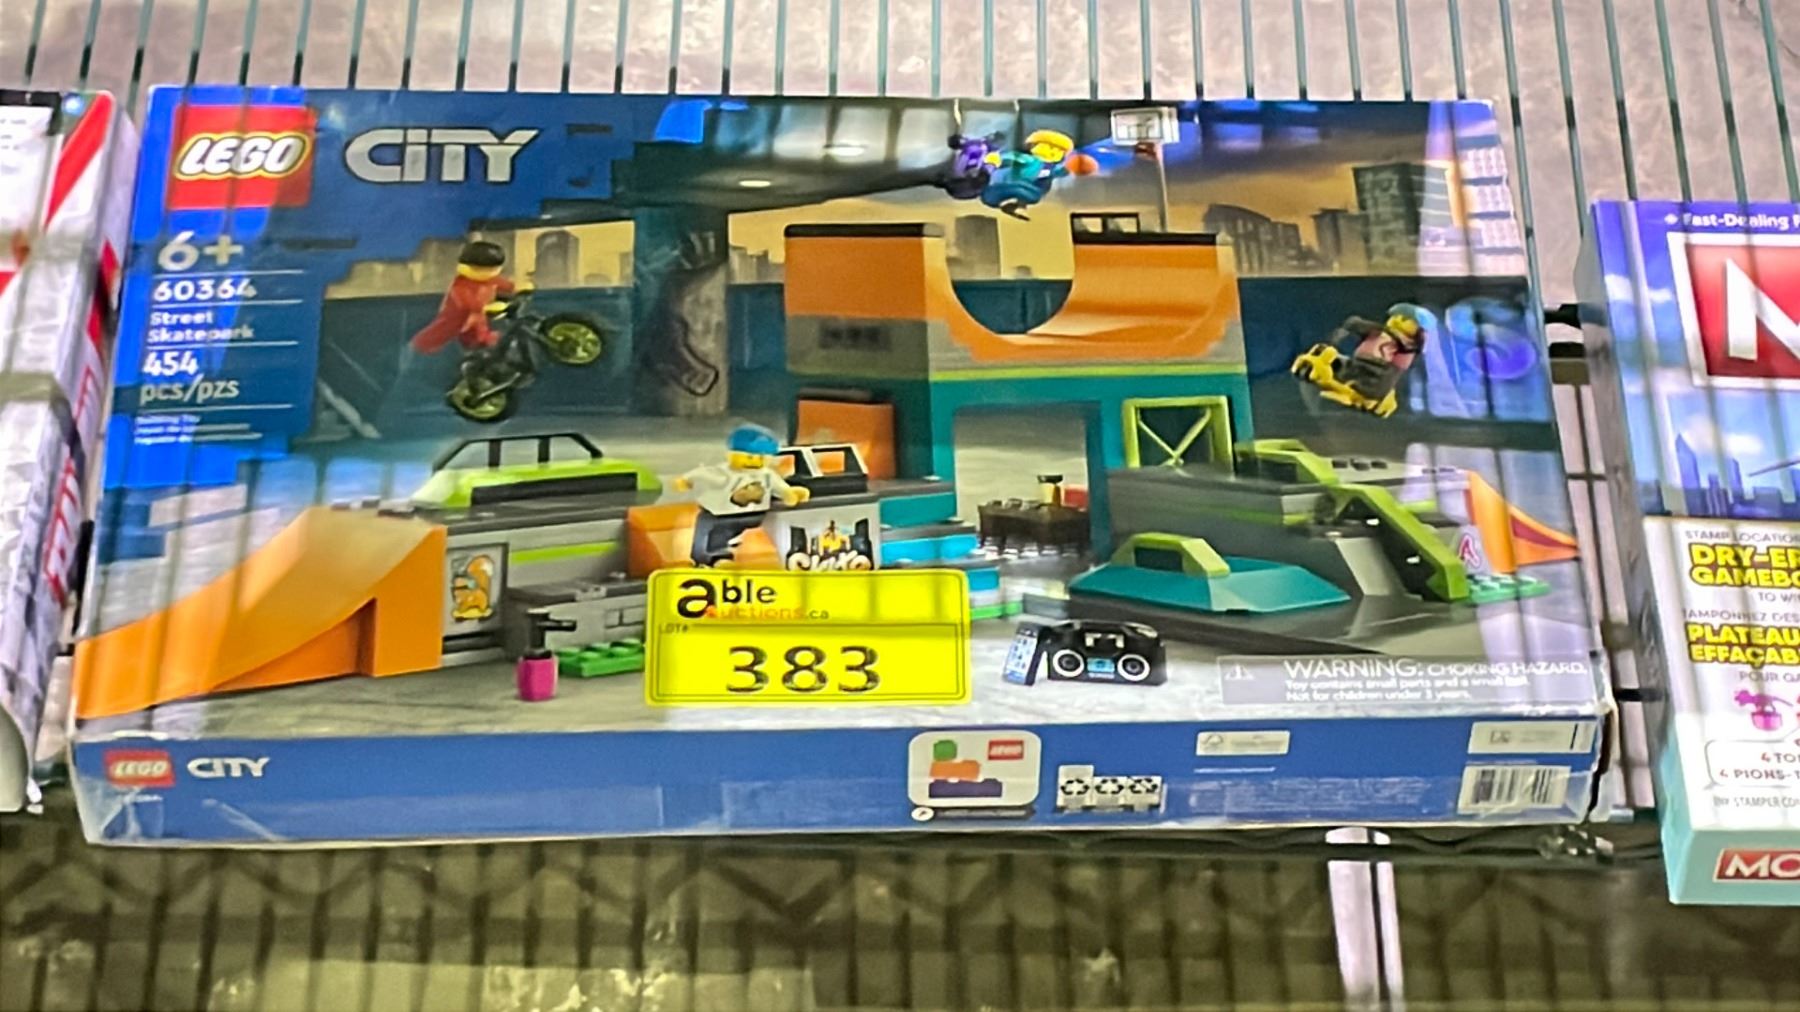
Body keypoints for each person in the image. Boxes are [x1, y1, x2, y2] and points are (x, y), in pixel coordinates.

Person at [672, 423, 812, 567]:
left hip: (751, 515)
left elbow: (779, 487)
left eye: (761, 457)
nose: (755, 461)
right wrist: (686, 481)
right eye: (749, 457)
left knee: (717, 535)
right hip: (722, 515)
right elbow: (702, 474)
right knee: (711, 534)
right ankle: (714, 560)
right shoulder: (724, 473)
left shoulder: (766, 474)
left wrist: (789, 493)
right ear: (733, 453)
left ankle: (716, 558)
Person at [409, 240, 523, 355]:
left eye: (492, 269)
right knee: (443, 334)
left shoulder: (489, 280)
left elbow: (503, 284)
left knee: (481, 331)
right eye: (478, 269)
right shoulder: (461, 286)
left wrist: (516, 288)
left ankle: (486, 344)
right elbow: (468, 303)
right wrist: (488, 307)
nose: (487, 273)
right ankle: (420, 346)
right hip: (458, 320)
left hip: (476, 320)